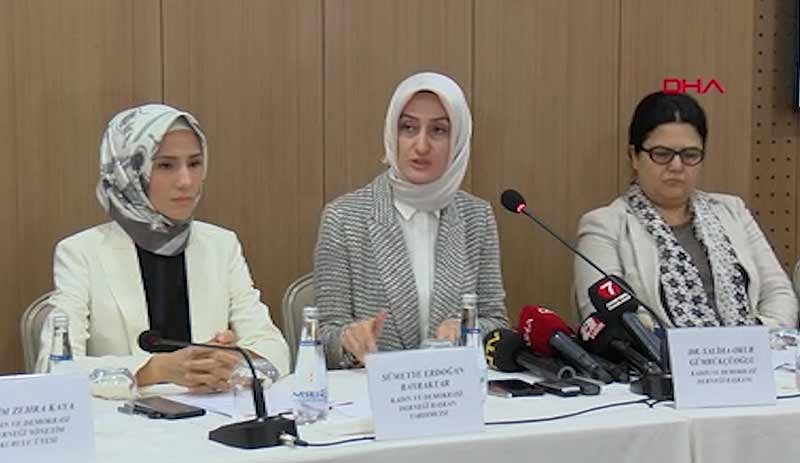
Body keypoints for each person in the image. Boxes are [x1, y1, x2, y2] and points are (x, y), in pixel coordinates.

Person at [36, 104, 290, 392]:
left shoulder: (221, 245)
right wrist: (154, 370)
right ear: (128, 172)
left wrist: (232, 363)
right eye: (165, 166)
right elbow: (53, 368)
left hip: (213, 410)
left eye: (195, 164)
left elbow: (276, 349)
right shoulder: (81, 253)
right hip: (126, 416)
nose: (186, 181)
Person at [313, 72, 508, 368]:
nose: (421, 145)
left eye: (438, 130)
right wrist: (348, 340)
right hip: (372, 389)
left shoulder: (476, 217)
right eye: (408, 128)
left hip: (451, 386)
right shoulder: (343, 218)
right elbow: (324, 336)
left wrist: (469, 330)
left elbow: (496, 322)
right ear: (392, 133)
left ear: (458, 140)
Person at [574, 91, 798, 328]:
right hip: (658, 351)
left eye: (690, 155)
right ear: (634, 156)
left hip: (750, 348)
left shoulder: (732, 211)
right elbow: (608, 319)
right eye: (662, 154)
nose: (676, 166)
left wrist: (756, 338)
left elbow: (778, 293)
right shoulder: (604, 226)